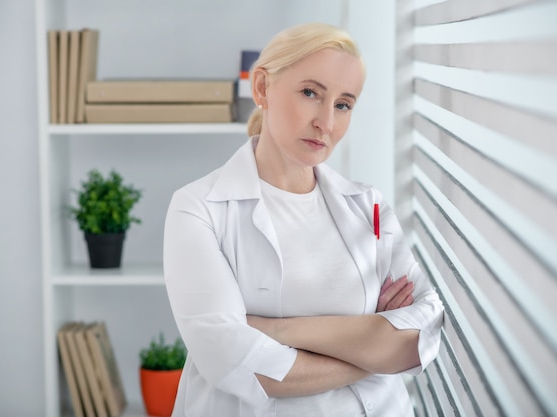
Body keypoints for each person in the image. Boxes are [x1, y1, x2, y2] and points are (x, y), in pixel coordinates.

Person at [163, 22, 444, 417]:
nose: (326, 123)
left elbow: (423, 328)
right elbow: (239, 365)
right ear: (262, 88)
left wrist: (278, 331)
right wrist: (373, 346)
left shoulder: (370, 207)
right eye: (310, 93)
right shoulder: (198, 209)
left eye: (343, 104)